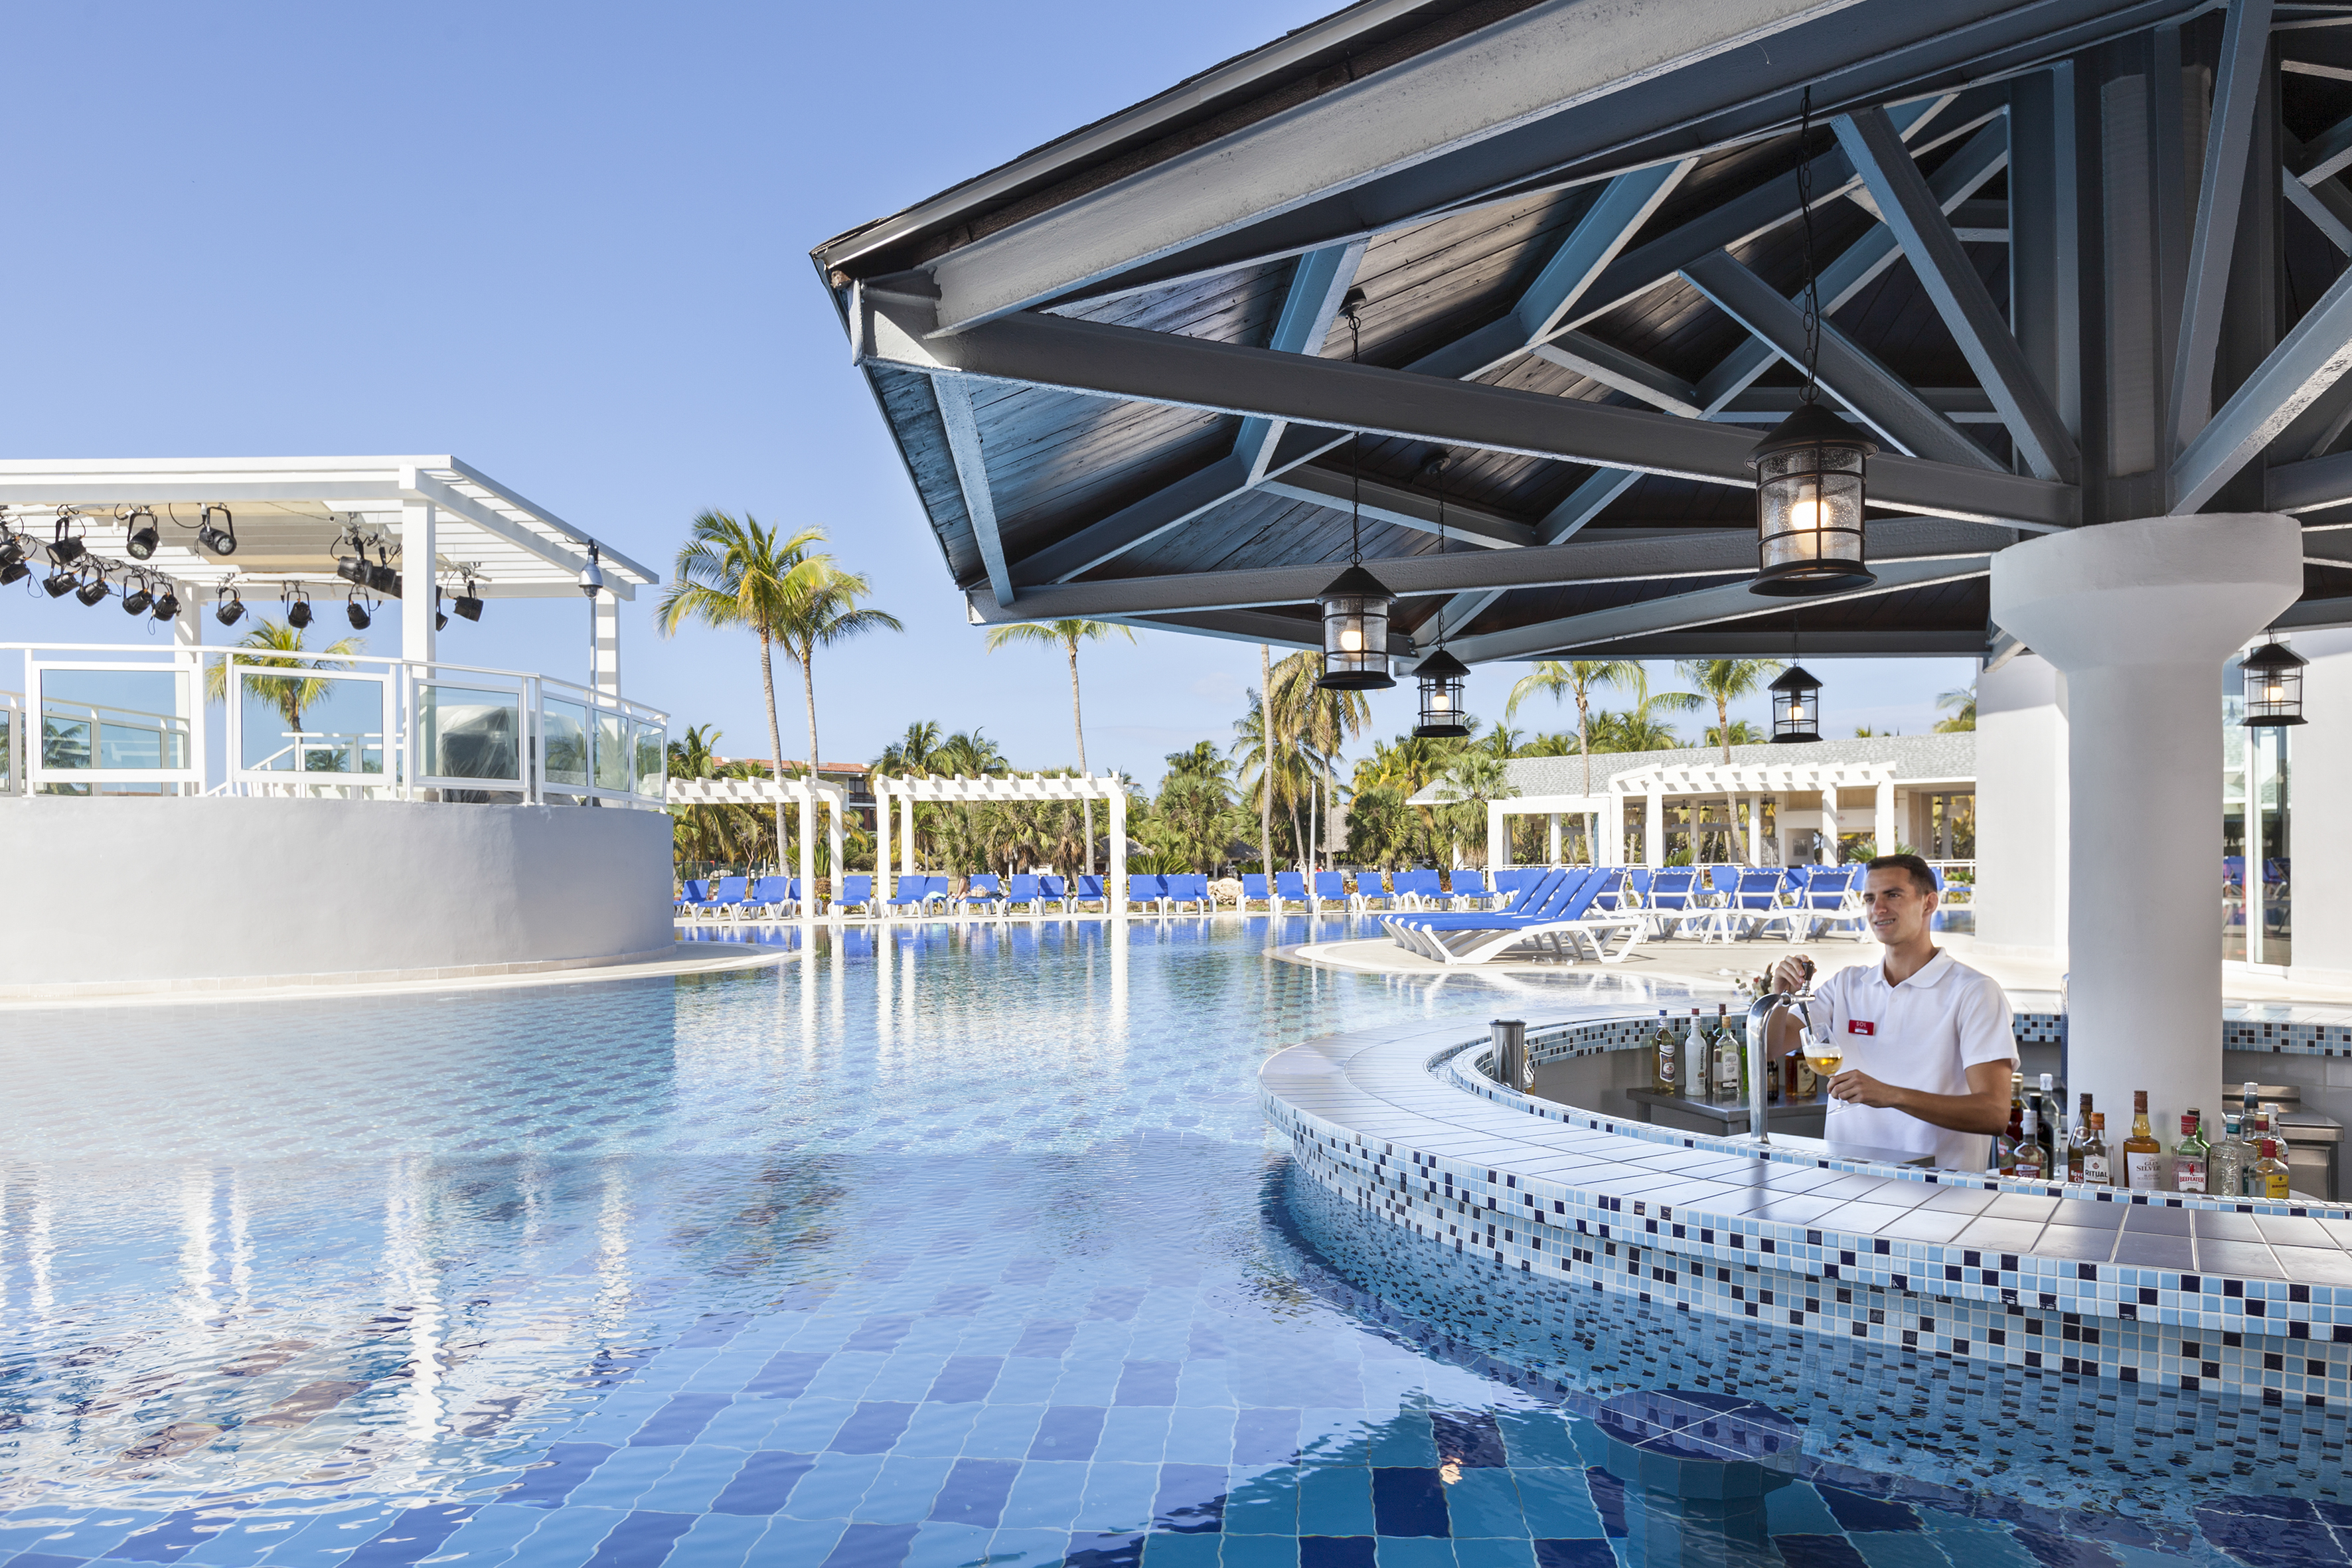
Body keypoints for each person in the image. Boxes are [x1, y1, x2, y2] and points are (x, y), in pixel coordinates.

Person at [1768, 854, 2016, 1170]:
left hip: (1939, 1201)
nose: (1878, 909)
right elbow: (1772, 1047)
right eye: (1870, 898)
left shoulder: (1975, 992)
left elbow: (1994, 1114)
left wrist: (1892, 1095)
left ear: (1928, 904)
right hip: (1845, 1190)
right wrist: (1780, 997)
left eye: (1893, 895)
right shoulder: (1846, 985)